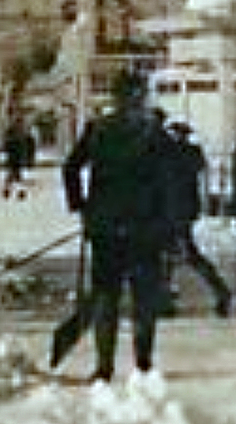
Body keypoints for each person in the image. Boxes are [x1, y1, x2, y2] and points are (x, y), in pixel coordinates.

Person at [61, 68, 176, 382]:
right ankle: (143, 362)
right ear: (138, 96)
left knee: (106, 296)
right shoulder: (154, 133)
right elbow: (170, 182)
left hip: (105, 227)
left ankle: (104, 365)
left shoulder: (98, 129)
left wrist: (81, 205)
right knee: (144, 298)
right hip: (144, 228)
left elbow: (71, 167)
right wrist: (169, 223)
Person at [163, 121, 231, 317]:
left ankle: (219, 289)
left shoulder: (172, 153)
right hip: (183, 208)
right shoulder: (192, 152)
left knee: (183, 253)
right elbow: (199, 176)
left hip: (173, 209)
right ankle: (165, 292)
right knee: (174, 252)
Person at [2, 114, 35, 199]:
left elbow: (29, 146)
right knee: (15, 175)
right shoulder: (21, 133)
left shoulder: (19, 132)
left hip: (16, 157)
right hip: (16, 157)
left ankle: (10, 190)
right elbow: (29, 146)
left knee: (14, 174)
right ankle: (17, 191)